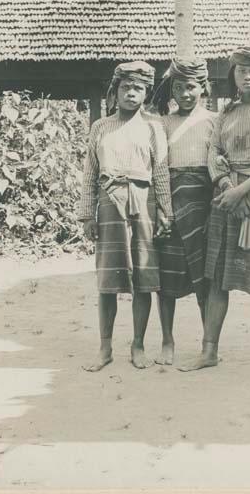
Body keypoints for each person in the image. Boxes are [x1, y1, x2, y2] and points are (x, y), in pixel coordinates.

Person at [179, 45, 250, 377]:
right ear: (234, 74)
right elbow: (213, 152)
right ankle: (209, 351)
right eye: (241, 69)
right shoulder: (225, 112)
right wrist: (226, 186)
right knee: (217, 280)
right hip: (226, 200)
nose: (248, 75)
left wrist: (243, 190)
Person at [78, 62, 173, 371]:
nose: (131, 93)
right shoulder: (100, 127)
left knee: (144, 276)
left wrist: (165, 211)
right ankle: (104, 348)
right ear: (115, 91)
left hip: (143, 201)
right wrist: (87, 215)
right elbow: (90, 173)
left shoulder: (153, 126)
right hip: (109, 201)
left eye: (138, 88)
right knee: (108, 277)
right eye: (125, 87)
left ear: (146, 93)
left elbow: (160, 172)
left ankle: (138, 344)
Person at [153, 57, 217, 365]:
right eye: (179, 88)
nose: (185, 94)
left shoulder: (216, 121)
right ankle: (167, 339)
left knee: (206, 275)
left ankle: (208, 343)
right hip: (171, 199)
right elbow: (159, 168)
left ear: (202, 87)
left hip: (205, 201)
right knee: (167, 276)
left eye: (191, 87)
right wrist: (164, 208)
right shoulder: (163, 123)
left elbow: (220, 162)